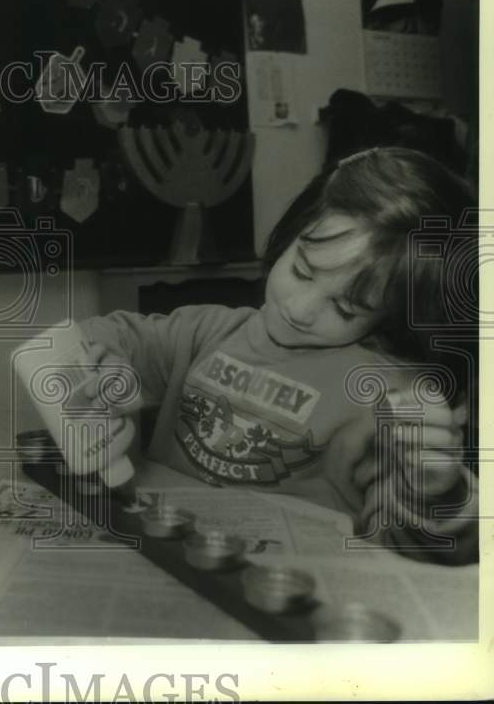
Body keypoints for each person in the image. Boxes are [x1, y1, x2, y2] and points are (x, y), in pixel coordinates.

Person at [79, 147, 478, 564]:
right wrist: (104, 373)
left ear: (392, 314)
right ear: (289, 239)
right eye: (302, 271)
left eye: (346, 308)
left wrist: (436, 491)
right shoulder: (203, 332)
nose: (300, 309)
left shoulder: (391, 398)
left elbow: (424, 552)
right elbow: (102, 337)